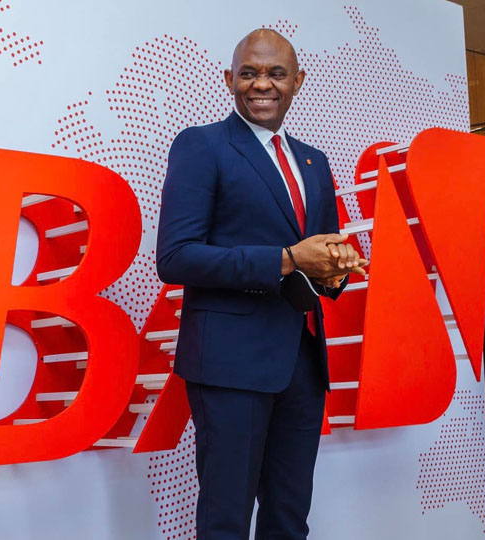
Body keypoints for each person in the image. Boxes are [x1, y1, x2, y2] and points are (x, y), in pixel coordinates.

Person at [155, 29, 367, 539]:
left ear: (298, 81)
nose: (261, 84)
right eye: (249, 73)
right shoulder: (202, 145)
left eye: (275, 73)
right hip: (230, 363)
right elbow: (176, 257)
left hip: (302, 362)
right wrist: (287, 259)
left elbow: (318, 257)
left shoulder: (314, 161)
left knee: (289, 520)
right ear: (230, 79)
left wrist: (335, 268)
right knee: (226, 521)